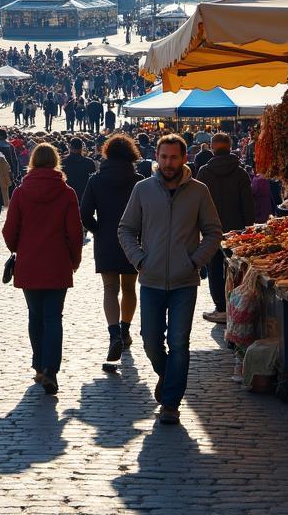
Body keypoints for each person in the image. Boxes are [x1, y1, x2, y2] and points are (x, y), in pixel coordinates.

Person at [117, 133, 222, 425]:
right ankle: (167, 374)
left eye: (174, 157)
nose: (168, 162)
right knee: (150, 341)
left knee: (179, 342)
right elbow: (125, 229)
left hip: (184, 282)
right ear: (157, 157)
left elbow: (213, 231)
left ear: (184, 158)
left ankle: (171, 403)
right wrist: (139, 259)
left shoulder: (199, 191)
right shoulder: (143, 189)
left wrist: (195, 261)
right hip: (150, 280)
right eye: (163, 157)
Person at [2, 143, 82, 395]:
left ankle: (39, 365)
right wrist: (74, 259)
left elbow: (9, 229)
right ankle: (50, 369)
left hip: (30, 262)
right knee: (53, 318)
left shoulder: (21, 192)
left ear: (33, 162)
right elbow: (75, 232)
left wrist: (17, 247)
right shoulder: (67, 192)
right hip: (57, 262)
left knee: (35, 316)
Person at [79, 133, 144, 361]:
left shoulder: (95, 180)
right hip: (133, 240)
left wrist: (98, 230)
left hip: (106, 238)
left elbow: (84, 213)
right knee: (129, 288)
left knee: (109, 289)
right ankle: (125, 330)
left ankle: (113, 333)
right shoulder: (139, 180)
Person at [196, 133, 255, 324]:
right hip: (236, 228)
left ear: (213, 148)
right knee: (236, 267)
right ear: (230, 148)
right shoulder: (240, 173)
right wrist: (249, 229)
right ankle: (236, 304)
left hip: (210, 228)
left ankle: (220, 307)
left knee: (213, 267)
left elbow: (197, 203)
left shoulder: (204, 172)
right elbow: (248, 204)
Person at [62, 137, 96, 205]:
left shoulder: (62, 163)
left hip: (67, 196)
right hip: (84, 197)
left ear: (69, 147)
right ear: (82, 147)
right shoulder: (89, 162)